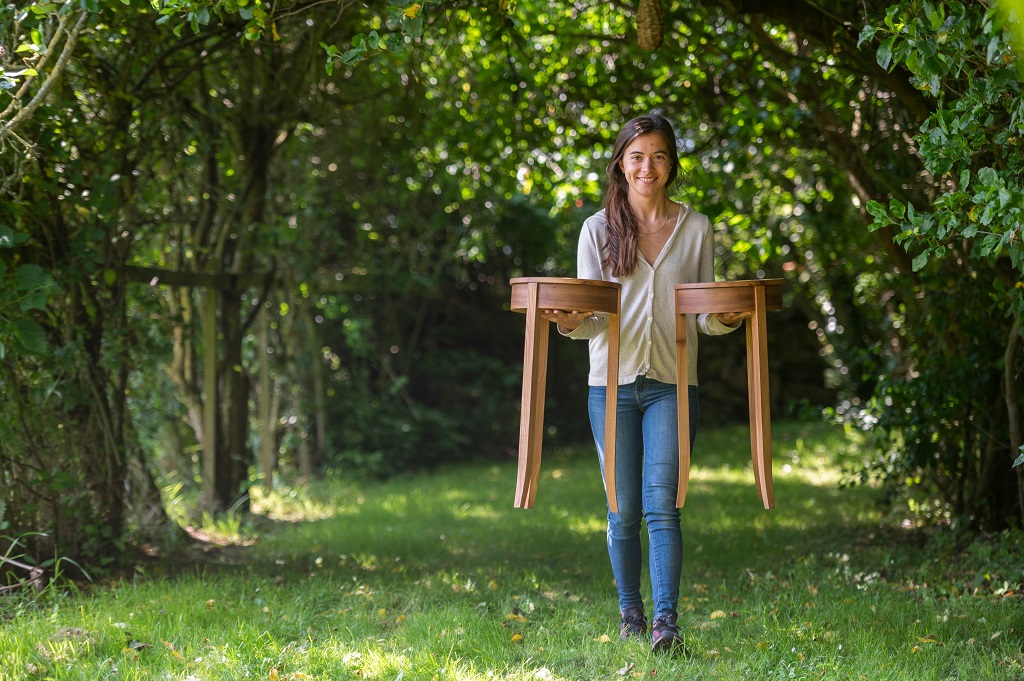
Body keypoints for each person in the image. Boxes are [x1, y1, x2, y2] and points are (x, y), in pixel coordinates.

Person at [540, 112, 749, 652]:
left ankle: (665, 623)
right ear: (620, 164)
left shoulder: (696, 227)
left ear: (671, 164)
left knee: (664, 503)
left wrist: (722, 320)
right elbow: (587, 318)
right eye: (636, 156)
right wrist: (566, 321)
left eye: (657, 156)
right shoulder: (597, 229)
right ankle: (629, 610)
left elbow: (700, 312)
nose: (646, 167)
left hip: (675, 385)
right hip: (608, 386)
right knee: (622, 508)